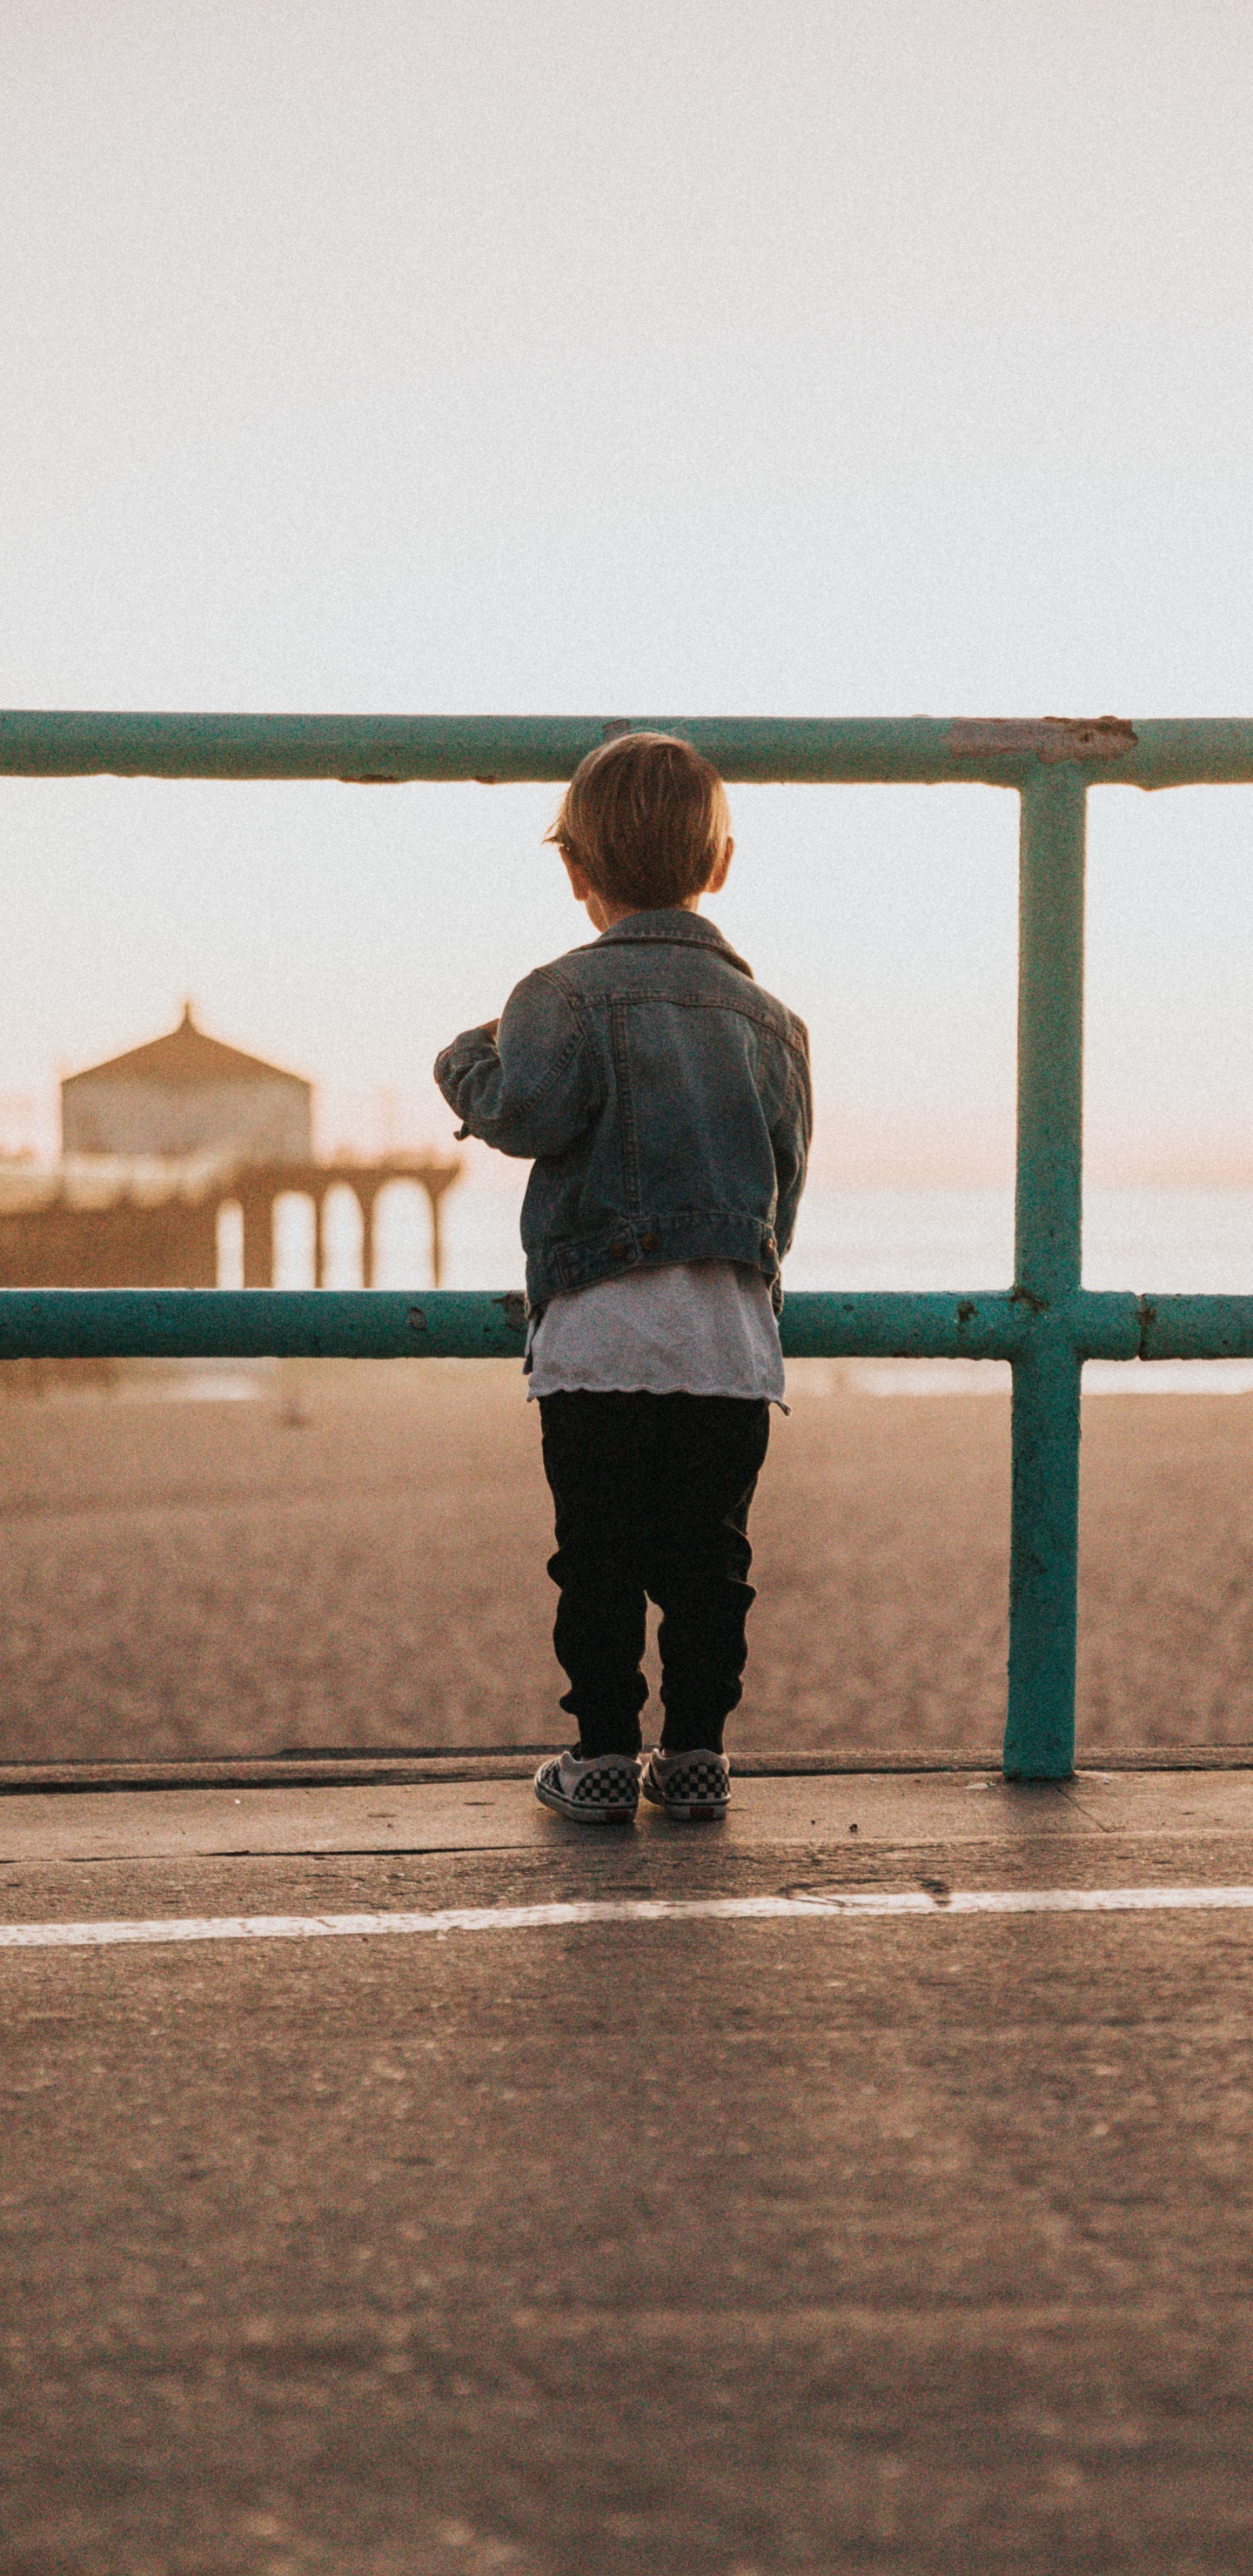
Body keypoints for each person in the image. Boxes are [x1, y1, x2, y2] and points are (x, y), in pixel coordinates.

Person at [434, 731, 811, 1827]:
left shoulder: (559, 994)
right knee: (710, 1567)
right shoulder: (773, 1022)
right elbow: (782, 1186)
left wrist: (464, 1057)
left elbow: (525, 1113)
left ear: (575, 870)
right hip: (727, 1346)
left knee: (593, 1562)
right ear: (721, 862)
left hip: (598, 1342)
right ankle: (696, 1754)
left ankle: (600, 1755)